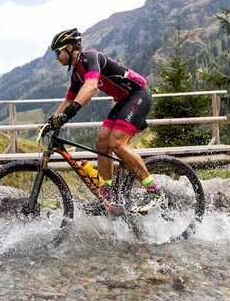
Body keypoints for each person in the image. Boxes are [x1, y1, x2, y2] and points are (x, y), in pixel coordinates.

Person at [46, 28, 159, 197]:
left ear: (69, 48)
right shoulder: (77, 74)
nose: (56, 57)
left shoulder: (90, 58)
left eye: (57, 52)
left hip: (138, 94)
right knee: (101, 142)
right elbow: (68, 100)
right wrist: (50, 121)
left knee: (117, 144)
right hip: (124, 100)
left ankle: (154, 191)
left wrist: (69, 113)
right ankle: (107, 192)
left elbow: (91, 86)